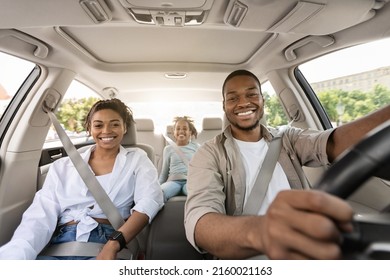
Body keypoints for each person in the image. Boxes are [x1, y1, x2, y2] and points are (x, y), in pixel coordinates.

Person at [184, 69, 390, 260]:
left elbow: (333, 142)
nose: (243, 103)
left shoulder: (287, 138)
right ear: (224, 106)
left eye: (251, 94)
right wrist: (263, 231)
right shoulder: (208, 153)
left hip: (306, 249)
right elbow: (200, 221)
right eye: (232, 98)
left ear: (262, 100)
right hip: (248, 257)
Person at [0, 98, 164, 260]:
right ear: (89, 128)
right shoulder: (63, 166)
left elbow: (149, 201)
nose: (106, 131)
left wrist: (114, 244)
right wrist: (16, 257)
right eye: (98, 125)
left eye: (115, 124)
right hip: (58, 244)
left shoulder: (138, 159)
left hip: (108, 239)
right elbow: (40, 215)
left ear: (125, 127)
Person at [159, 116, 199, 201]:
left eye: (185, 129)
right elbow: (164, 173)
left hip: (190, 181)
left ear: (190, 132)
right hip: (173, 182)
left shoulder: (196, 147)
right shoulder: (168, 149)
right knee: (159, 194)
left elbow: (202, 169)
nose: (181, 131)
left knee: (197, 195)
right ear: (174, 132)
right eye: (178, 129)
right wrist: (157, 187)